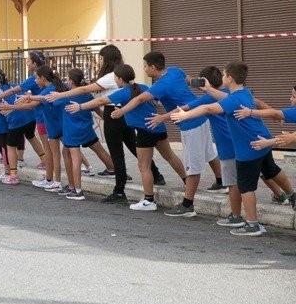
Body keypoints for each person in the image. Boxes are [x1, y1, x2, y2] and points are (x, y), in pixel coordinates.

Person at [171, 61, 296, 235]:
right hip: (263, 140)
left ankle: (252, 224)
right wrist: (208, 89)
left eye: (223, 74)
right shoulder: (243, 93)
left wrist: (185, 115)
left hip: (249, 148)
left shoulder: (234, 98)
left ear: (229, 78)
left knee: (246, 187)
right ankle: (292, 195)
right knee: (271, 170)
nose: (222, 77)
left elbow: (208, 108)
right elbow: (223, 98)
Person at [46, 45, 164, 204]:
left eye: (101, 58)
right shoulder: (122, 72)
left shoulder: (112, 75)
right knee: (134, 147)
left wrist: (62, 94)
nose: (100, 61)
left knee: (117, 154)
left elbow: (85, 91)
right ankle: (156, 174)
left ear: (107, 59)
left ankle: (119, 191)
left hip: (113, 114)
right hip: (126, 113)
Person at [111, 51, 220, 217]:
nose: (145, 69)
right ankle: (221, 182)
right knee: (208, 154)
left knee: (193, 166)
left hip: (190, 124)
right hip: (201, 117)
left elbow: (140, 99)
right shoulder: (175, 70)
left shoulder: (160, 85)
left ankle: (187, 205)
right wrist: (211, 88)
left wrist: (122, 111)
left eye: (146, 66)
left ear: (153, 67)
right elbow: (191, 81)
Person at [68, 64, 186, 209]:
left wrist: (80, 107)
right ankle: (188, 182)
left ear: (120, 79)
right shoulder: (142, 86)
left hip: (144, 131)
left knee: (144, 166)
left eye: (115, 78)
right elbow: (155, 101)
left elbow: (100, 101)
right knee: (170, 156)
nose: (115, 80)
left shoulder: (123, 92)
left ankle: (149, 201)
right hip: (158, 126)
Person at [2, 65, 73, 192]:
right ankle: (63, 183)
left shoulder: (49, 89)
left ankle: (55, 181)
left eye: (37, 78)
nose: (35, 81)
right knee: (66, 154)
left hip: (54, 127)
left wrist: (13, 106)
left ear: (43, 78)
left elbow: (33, 104)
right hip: (63, 124)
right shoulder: (61, 85)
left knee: (56, 155)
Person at [0, 51, 49, 172]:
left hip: (41, 114)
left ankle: (13, 173)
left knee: (12, 146)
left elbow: (13, 92)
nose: (26, 62)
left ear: (34, 64)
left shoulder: (33, 79)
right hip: (35, 115)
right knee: (34, 138)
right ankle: (46, 162)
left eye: (28, 60)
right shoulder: (47, 74)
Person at [54, 68, 114, 200]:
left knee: (74, 158)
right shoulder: (87, 95)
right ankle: (113, 169)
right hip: (86, 129)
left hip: (72, 132)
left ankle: (77, 189)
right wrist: (108, 120)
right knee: (99, 149)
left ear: (70, 81)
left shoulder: (66, 96)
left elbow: (51, 100)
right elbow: (97, 109)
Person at [232, 83, 296, 205]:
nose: (290, 98)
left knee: (248, 185)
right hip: (258, 144)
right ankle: (288, 195)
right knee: (270, 169)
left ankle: (251, 223)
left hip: (253, 148)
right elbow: (277, 115)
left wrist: (267, 142)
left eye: (293, 96)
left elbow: (290, 137)